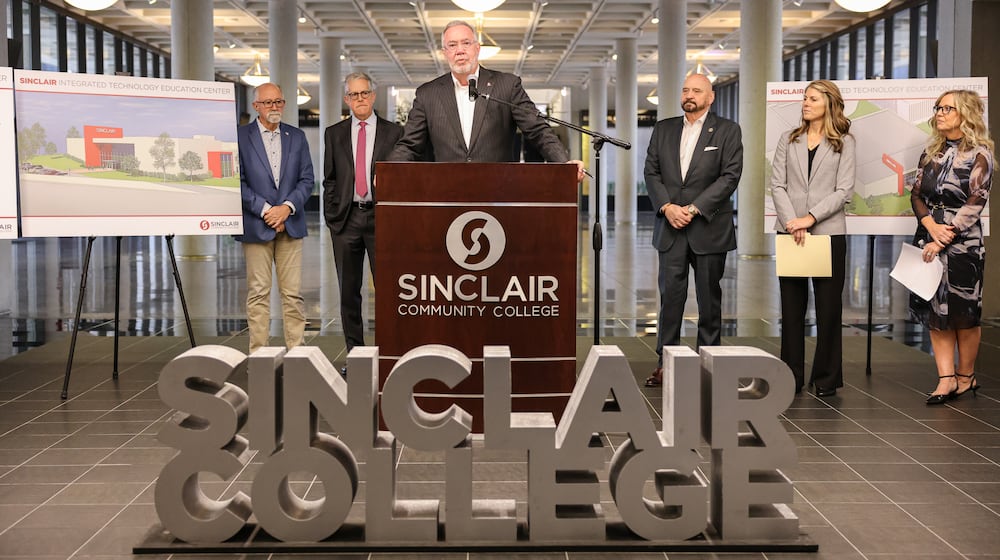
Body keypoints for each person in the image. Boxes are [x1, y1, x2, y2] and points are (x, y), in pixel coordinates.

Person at [642, 73, 743, 387]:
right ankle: (665, 363)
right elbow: (651, 171)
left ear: (710, 97)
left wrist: (694, 208)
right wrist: (667, 207)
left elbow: (730, 176)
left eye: (697, 90)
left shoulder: (728, 130)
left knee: (709, 302)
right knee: (670, 300)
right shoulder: (664, 129)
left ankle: (708, 364)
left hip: (708, 228)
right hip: (670, 227)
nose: (690, 94)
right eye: (685, 89)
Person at [389, 19, 584, 181]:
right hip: (446, 193)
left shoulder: (506, 85)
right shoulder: (427, 94)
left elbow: (538, 130)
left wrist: (564, 165)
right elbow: (409, 145)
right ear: (444, 52)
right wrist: (387, 172)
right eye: (452, 45)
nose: (460, 50)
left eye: (466, 43)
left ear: (477, 48)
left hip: (499, 192)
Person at [770, 80, 856, 397]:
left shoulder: (845, 142)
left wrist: (810, 218)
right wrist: (793, 222)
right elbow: (777, 185)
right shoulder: (788, 139)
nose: (806, 103)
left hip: (827, 234)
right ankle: (790, 376)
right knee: (791, 310)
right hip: (791, 232)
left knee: (828, 309)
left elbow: (844, 190)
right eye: (805, 98)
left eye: (813, 98)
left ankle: (826, 378)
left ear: (829, 104)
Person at [910, 90, 993, 405]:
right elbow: (916, 195)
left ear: (965, 113)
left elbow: (977, 200)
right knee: (936, 310)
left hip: (964, 245)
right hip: (929, 238)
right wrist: (930, 227)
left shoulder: (980, 153)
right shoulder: (931, 151)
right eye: (938, 108)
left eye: (947, 108)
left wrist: (944, 235)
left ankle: (965, 376)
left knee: (964, 312)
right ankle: (945, 379)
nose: (940, 113)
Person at [323, 72, 403, 373]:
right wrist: (333, 216)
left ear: (374, 95)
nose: (360, 99)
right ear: (347, 99)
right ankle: (356, 356)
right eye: (354, 95)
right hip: (346, 220)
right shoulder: (334, 133)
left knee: (387, 291)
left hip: (382, 219)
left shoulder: (395, 133)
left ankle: (387, 356)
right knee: (348, 292)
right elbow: (329, 179)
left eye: (365, 93)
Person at [235, 83, 315, 355]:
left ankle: (297, 353)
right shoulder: (240, 137)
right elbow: (237, 182)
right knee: (258, 294)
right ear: (255, 106)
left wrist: (287, 208)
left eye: (278, 102)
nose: (274, 107)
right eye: (268, 103)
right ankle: (258, 354)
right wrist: (268, 209)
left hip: (291, 224)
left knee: (293, 295)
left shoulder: (297, 136)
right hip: (257, 225)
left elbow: (307, 180)